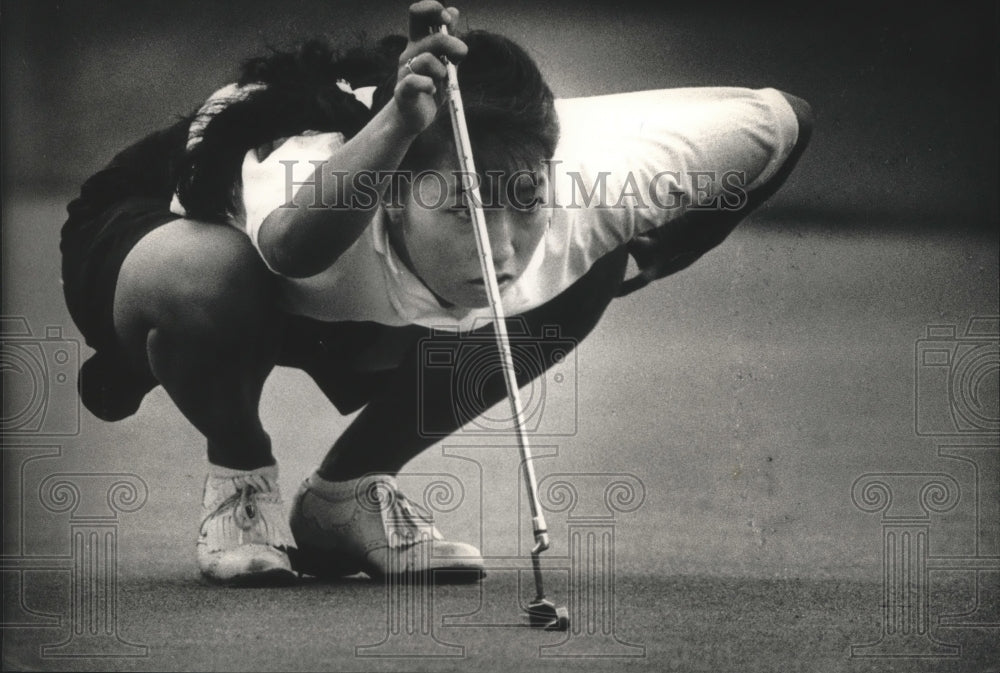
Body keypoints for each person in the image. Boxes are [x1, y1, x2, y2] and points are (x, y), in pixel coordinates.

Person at [60, 1, 813, 586]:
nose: (503, 244)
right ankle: (240, 469)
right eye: (465, 208)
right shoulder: (306, 170)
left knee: (595, 265)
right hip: (176, 227)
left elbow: (782, 124)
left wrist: (641, 261)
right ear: (391, 194)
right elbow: (289, 249)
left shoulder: (596, 185)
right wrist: (396, 129)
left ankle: (347, 495)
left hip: (360, 294)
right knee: (210, 280)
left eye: (526, 200)